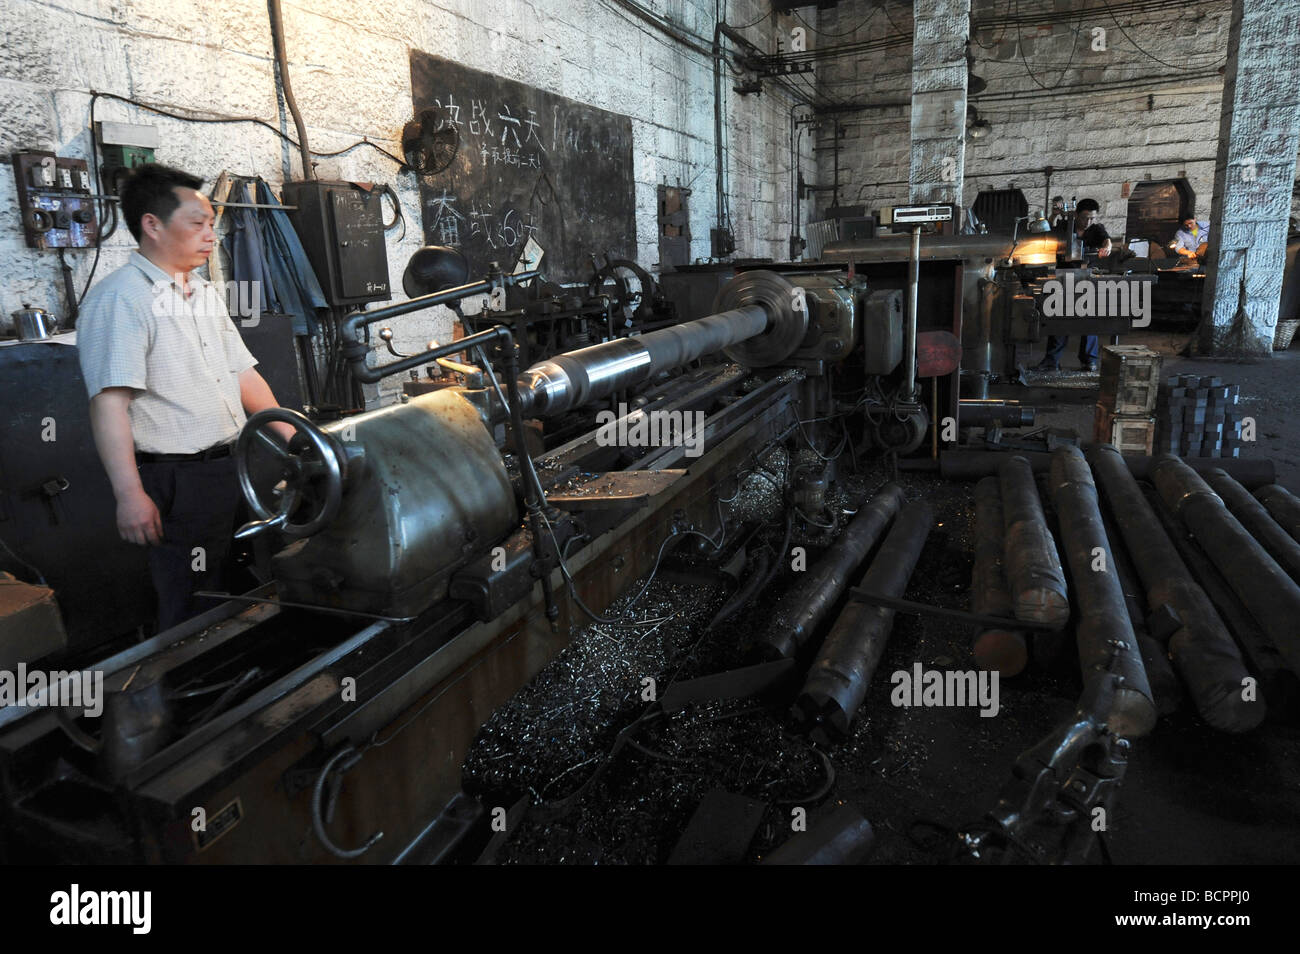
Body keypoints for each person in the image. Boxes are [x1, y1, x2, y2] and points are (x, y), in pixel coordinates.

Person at [77, 164, 295, 631]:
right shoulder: (121, 300)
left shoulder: (205, 294)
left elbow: (242, 374)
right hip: (176, 482)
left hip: (230, 466)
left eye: (212, 224)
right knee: (192, 601)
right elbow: (109, 403)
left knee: (245, 585)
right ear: (152, 225)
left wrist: (298, 440)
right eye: (197, 224)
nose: (209, 234)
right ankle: (190, 694)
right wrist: (130, 493)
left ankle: (246, 683)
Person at [1037, 197, 1112, 371]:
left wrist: (1106, 247)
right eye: (1085, 217)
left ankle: (1089, 360)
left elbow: (1106, 240)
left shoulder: (1096, 229)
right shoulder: (1065, 226)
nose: (1088, 222)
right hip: (1063, 277)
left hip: (1087, 278)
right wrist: (1053, 216)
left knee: (1089, 321)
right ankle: (1051, 361)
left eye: (1092, 218)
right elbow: (1047, 232)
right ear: (1076, 214)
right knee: (1060, 320)